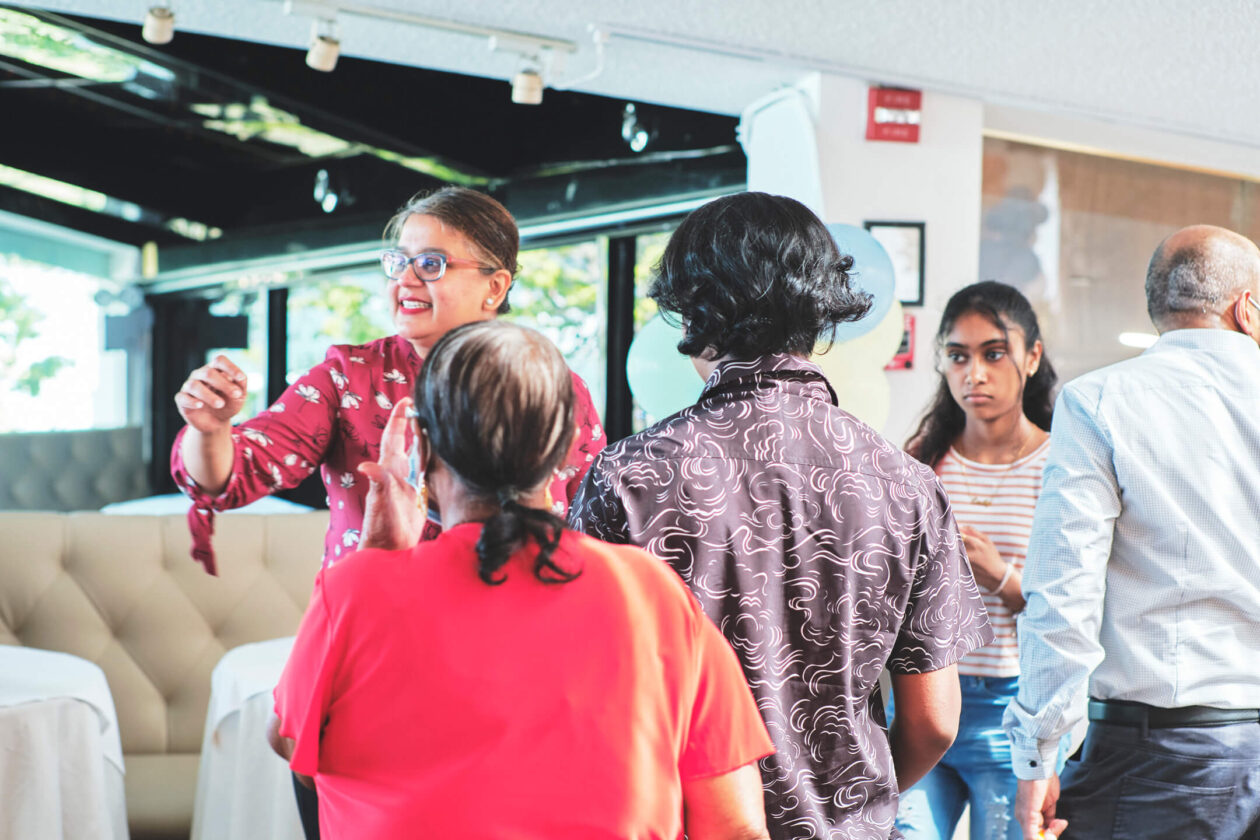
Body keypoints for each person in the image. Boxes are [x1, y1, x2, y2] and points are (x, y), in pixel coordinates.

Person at [567, 192, 994, 838]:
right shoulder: (909, 486)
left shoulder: (627, 478)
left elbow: (580, 693)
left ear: (693, 310)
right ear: (821, 310)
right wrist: (851, 801)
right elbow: (934, 720)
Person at [267, 320, 776, 839]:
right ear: (566, 449)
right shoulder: (654, 592)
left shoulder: (357, 591)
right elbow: (733, 829)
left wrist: (376, 558)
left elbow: (294, 749)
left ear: (422, 450)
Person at [171, 186, 606, 575]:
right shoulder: (349, 376)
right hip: (374, 620)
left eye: (431, 264)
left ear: (494, 287)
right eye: (398, 262)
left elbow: (594, 516)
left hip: (514, 624)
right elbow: (232, 477)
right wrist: (208, 430)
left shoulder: (553, 386)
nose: (405, 280)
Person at [1004, 224, 1260, 840]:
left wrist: (1039, 755)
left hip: (1157, 758)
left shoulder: (1100, 401)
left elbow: (1064, 592)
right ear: (1247, 306)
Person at [896, 281, 1058, 840]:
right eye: (958, 356)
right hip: (920, 696)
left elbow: (1080, 609)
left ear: (1031, 357)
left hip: (1012, 708)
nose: (976, 374)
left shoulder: (1062, 465)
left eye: (994, 353)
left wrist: (1003, 579)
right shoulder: (921, 463)